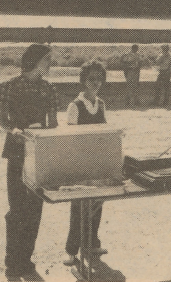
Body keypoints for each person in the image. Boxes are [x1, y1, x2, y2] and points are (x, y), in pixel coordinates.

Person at [0, 44, 59, 280]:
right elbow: (2, 119)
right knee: (16, 208)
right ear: (34, 61)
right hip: (15, 150)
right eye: (46, 60)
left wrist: (46, 135)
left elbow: (53, 123)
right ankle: (12, 261)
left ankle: (26, 259)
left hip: (38, 152)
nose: (49, 64)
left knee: (35, 209)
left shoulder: (49, 88)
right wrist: (13, 131)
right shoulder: (10, 86)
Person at [63, 61, 110, 266]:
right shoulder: (75, 106)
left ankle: (91, 244)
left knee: (97, 204)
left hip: (97, 162)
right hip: (80, 163)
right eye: (91, 79)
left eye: (99, 78)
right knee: (78, 208)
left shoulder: (101, 104)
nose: (96, 83)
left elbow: (105, 132)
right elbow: (70, 138)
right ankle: (72, 252)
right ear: (83, 80)